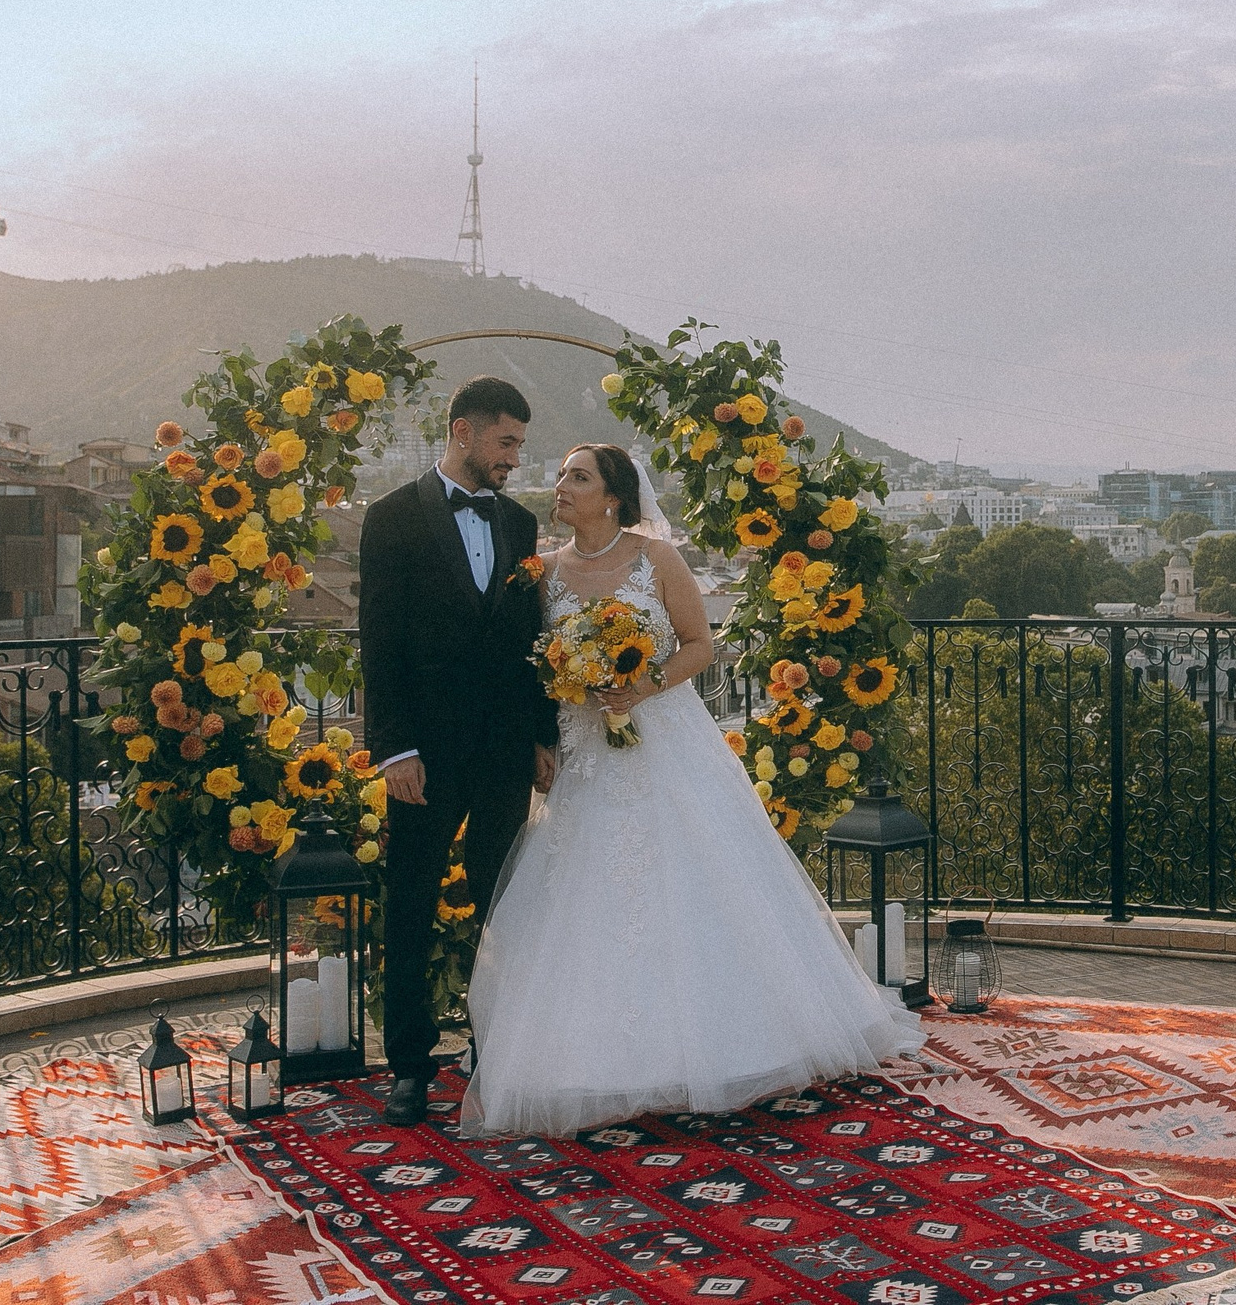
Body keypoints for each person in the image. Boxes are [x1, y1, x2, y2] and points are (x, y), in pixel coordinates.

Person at [457, 444, 920, 1136]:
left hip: (659, 743)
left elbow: (700, 643)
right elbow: (527, 669)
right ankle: (589, 1058)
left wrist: (641, 684)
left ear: (612, 496)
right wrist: (550, 724)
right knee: (581, 892)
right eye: (560, 474)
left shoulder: (655, 560)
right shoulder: (543, 574)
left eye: (577, 475)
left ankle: (729, 1044)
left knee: (691, 880)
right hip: (585, 755)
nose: (561, 485)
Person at [357, 376, 560, 1128]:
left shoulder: (521, 523)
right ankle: (408, 1068)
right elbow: (379, 643)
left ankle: (497, 1050)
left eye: (518, 445)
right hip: (424, 754)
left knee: (502, 904)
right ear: (464, 431)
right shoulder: (391, 518)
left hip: (504, 745)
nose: (513, 458)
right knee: (408, 900)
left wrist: (542, 732)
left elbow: (528, 640)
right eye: (505, 442)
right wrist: (395, 748)